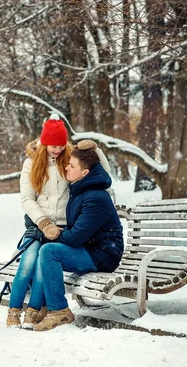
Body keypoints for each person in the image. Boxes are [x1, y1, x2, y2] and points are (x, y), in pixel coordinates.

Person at [32, 139, 124, 332]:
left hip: (103, 255)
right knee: (46, 250)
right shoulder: (80, 191)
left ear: (85, 173)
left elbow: (76, 238)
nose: (66, 167)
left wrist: (49, 235)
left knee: (49, 251)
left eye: (72, 165)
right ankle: (43, 307)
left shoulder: (95, 197)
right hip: (90, 249)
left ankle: (59, 311)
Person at [6, 114, 72, 329]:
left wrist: (96, 151)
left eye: (61, 145)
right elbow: (26, 199)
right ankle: (13, 311)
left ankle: (33, 312)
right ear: (44, 143)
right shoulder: (31, 163)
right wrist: (44, 223)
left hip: (61, 228)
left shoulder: (70, 160)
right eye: (53, 145)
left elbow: (100, 173)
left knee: (43, 268)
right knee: (27, 264)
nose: (57, 149)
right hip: (38, 226)